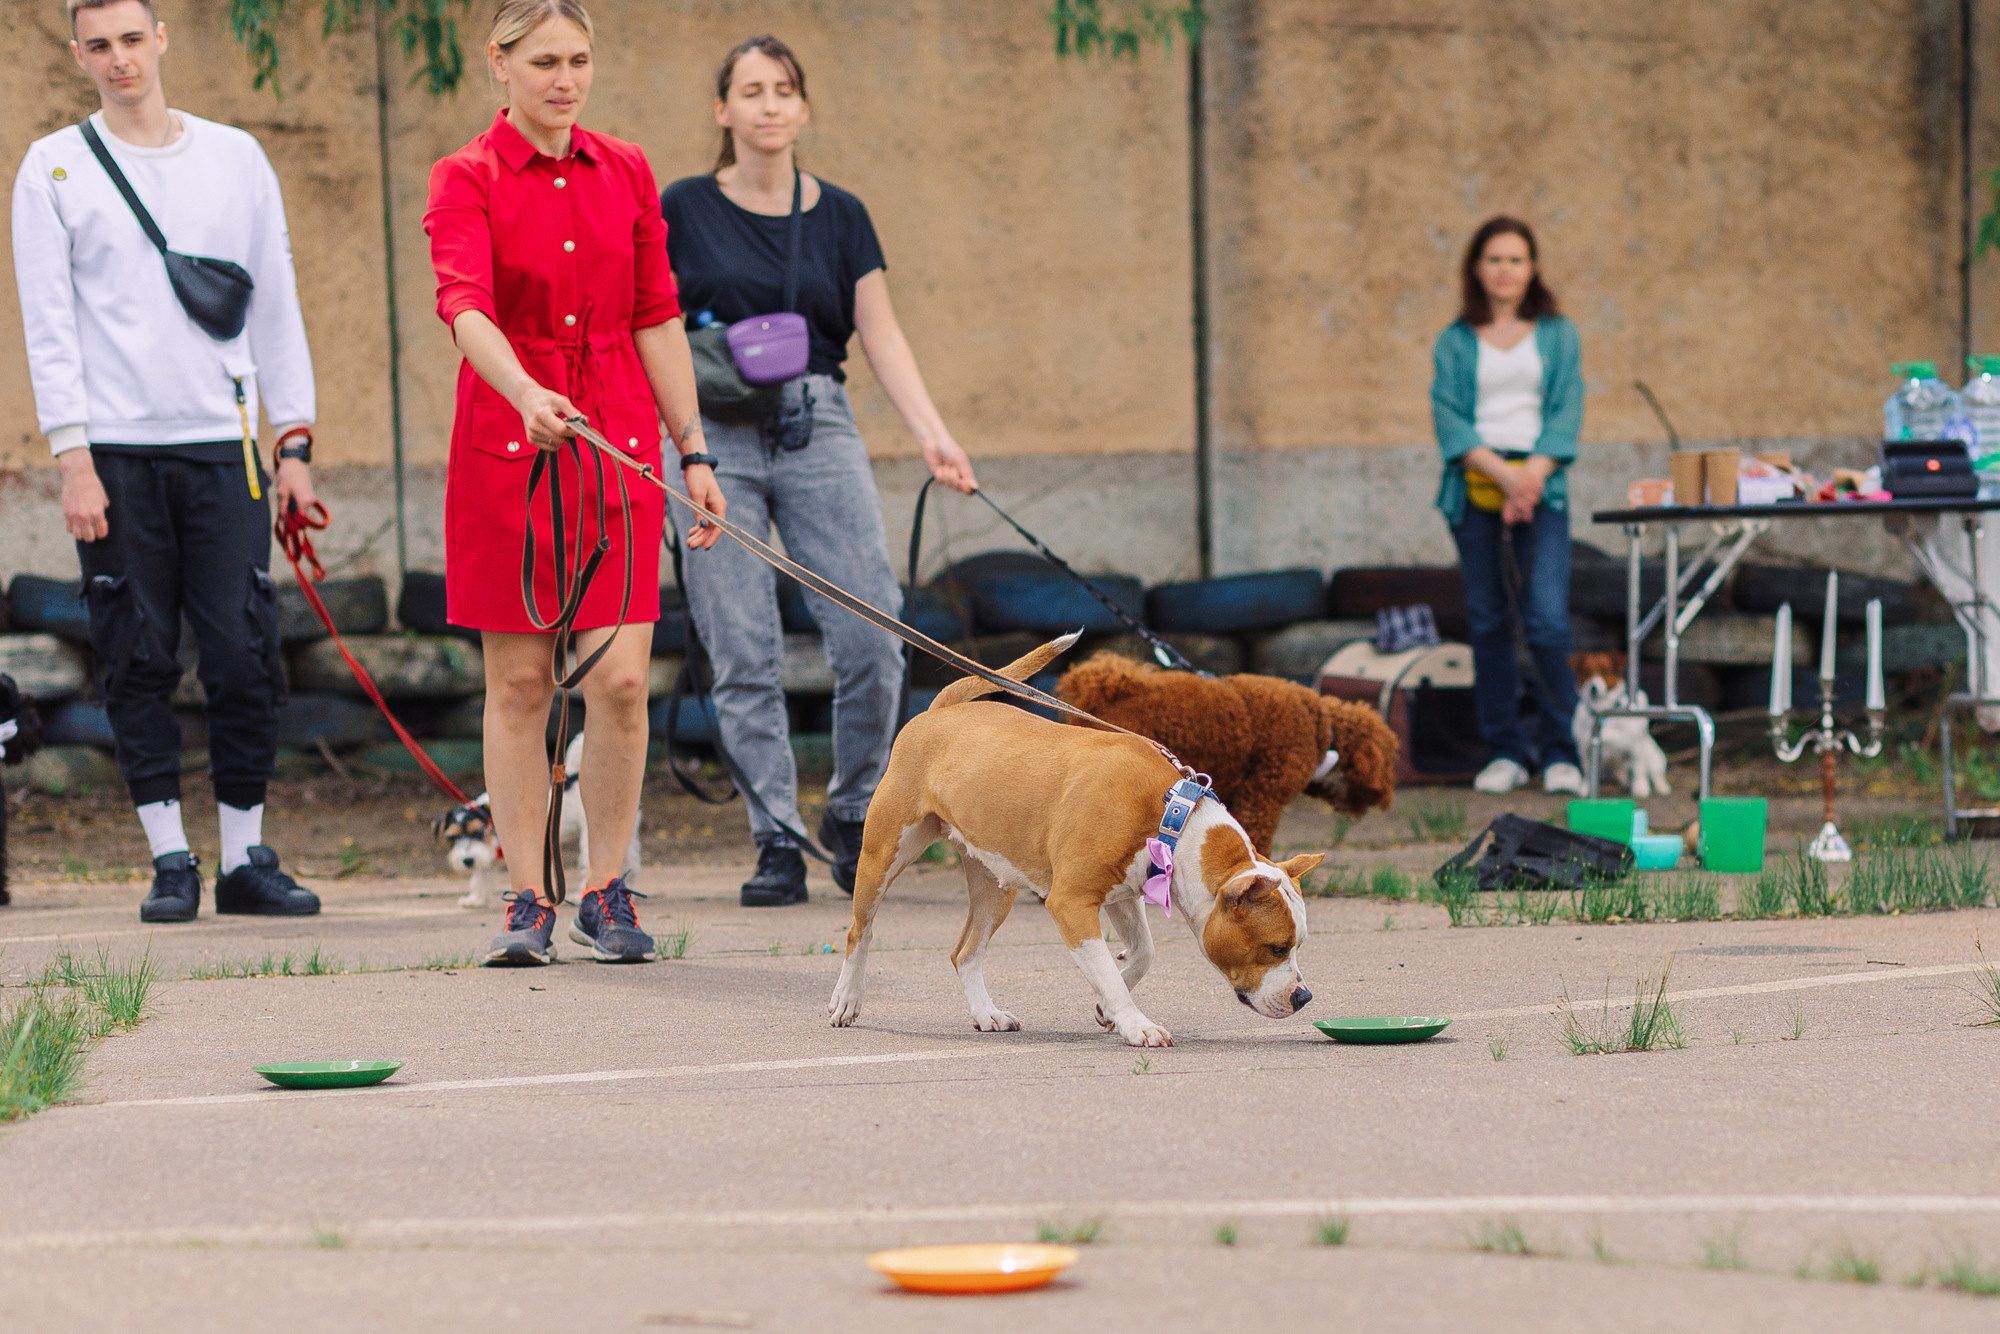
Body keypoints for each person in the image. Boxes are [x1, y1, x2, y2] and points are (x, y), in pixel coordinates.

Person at [424, 0, 726, 965]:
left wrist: (694, 449)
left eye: (580, 60)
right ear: (499, 65)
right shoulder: (462, 176)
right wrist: (521, 390)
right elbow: (462, 304)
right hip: (507, 444)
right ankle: (526, 898)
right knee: (519, 683)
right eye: (545, 60)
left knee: (625, 681)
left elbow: (656, 313)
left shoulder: (628, 169)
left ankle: (606, 889)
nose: (565, 78)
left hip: (619, 441)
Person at [12, 0, 322, 921]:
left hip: (225, 448)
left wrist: (294, 440)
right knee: (135, 655)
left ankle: (243, 858)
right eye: (99, 46)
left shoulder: (235, 158)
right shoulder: (53, 165)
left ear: (162, 40)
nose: (119, 60)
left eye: (132, 40)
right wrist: (73, 458)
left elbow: (277, 302)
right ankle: (170, 860)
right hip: (112, 453)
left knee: (241, 652)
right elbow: (49, 325)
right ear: (79, 54)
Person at [663, 35, 979, 908]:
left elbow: (880, 333)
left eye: (784, 89)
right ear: (722, 110)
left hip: (817, 423)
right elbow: (649, 323)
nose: (769, 104)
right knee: (744, 649)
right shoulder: (682, 207)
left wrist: (933, 434)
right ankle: (773, 836)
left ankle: (851, 812)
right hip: (708, 435)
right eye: (750, 91)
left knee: (875, 636)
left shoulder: (840, 214)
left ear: (803, 109)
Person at [1429, 216, 1586, 797]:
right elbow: (1448, 415)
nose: (1505, 270)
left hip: (1543, 489)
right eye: (1494, 259)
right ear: (1477, 267)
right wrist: (1503, 475)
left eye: (1516, 260)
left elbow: (1568, 407)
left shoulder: (1558, 333)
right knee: (1490, 623)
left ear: (1533, 268)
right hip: (1477, 486)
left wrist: (1532, 477)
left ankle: (1563, 750)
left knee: (1545, 620)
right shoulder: (1455, 340)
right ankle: (1505, 751)